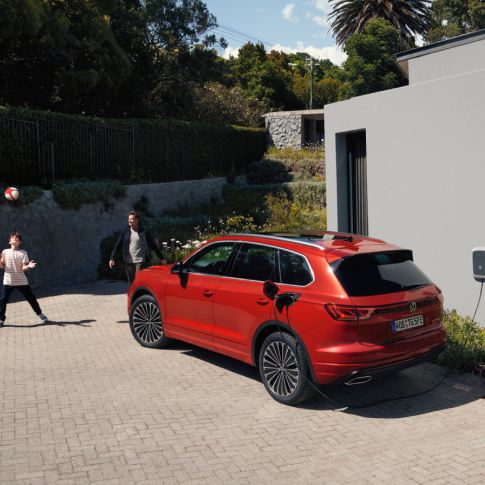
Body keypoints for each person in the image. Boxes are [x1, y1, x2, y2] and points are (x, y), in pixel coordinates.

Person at [0, 231, 48, 327]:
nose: (15, 238)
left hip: (21, 281)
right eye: (13, 237)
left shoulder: (23, 253)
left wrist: (29, 266)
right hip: (8, 281)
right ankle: (1, 319)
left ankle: (40, 314)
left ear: (19, 242)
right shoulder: (5, 252)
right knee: (3, 300)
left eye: (17, 238)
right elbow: (1, 266)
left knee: (31, 299)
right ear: (10, 241)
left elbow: (23, 268)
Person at [109, 211, 165, 284]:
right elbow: (117, 245)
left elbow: (152, 245)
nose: (129, 220)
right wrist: (112, 258)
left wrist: (162, 258)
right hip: (128, 261)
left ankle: (139, 294)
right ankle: (132, 295)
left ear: (136, 220)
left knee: (138, 280)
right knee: (131, 282)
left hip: (140, 260)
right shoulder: (125, 232)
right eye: (128, 219)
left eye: (131, 219)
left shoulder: (143, 232)